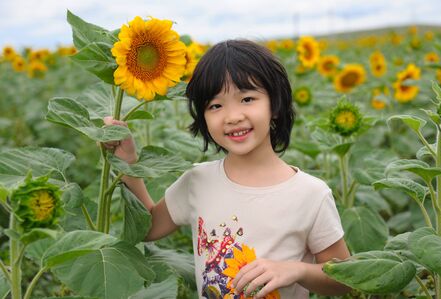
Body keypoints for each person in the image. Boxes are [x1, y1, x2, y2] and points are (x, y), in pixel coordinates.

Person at [103, 39, 351, 298]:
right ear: (203, 117)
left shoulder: (310, 194)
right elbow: (150, 226)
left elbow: (344, 279)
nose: (232, 116)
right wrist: (128, 161)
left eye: (247, 98)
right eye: (216, 105)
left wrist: (296, 270)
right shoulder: (198, 180)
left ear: (275, 105)